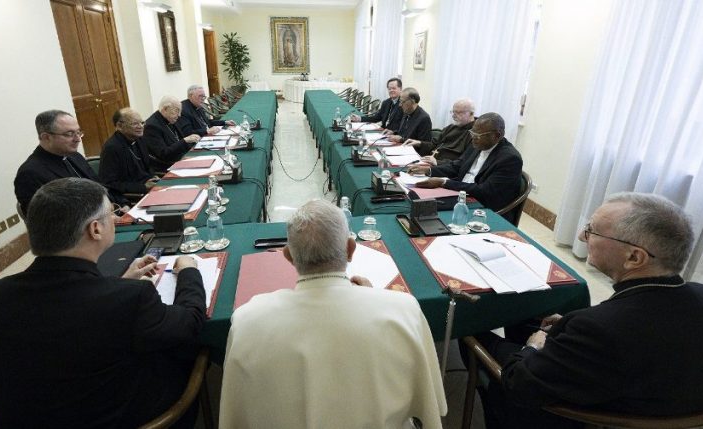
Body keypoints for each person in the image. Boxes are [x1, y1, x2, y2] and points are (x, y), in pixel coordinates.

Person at [0, 178, 206, 428]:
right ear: (95, 229)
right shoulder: (131, 298)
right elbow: (191, 322)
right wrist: (188, 271)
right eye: (111, 213)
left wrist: (117, 283)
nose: (115, 219)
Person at [475, 193, 703, 428]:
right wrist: (573, 328)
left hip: (579, 416)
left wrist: (532, 347)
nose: (581, 236)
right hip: (662, 398)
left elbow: (520, 383)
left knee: (475, 336)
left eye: (592, 232)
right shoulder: (699, 293)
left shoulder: (596, 329)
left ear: (634, 257)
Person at [219, 199, 447, 428]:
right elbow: (432, 403)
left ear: (288, 256)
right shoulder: (404, 309)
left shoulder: (246, 320)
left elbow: (234, 416)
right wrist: (376, 299)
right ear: (350, 249)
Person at [408, 112, 522, 223]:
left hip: (482, 207)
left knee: (426, 212)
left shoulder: (510, 159)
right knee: (413, 200)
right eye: (472, 133)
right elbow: (457, 166)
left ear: (497, 135)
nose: (473, 138)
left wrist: (444, 183)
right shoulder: (477, 144)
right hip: (461, 194)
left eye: (478, 135)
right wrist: (429, 170)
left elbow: (485, 191)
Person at [14, 109, 129, 216]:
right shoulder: (30, 173)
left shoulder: (74, 156)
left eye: (78, 132)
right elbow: (48, 220)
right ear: (46, 137)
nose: (78, 139)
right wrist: (101, 218)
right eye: (69, 134)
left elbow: (100, 186)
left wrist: (123, 203)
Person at [99, 108, 158, 196]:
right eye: (135, 124)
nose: (141, 126)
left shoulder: (139, 139)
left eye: (142, 123)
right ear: (119, 126)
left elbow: (147, 166)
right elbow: (109, 183)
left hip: (150, 187)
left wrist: (153, 177)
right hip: (133, 195)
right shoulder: (111, 148)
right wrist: (143, 187)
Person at [404, 98, 476, 164]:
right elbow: (434, 144)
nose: (454, 116)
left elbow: (463, 162)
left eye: (458, 112)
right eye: (453, 112)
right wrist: (419, 143)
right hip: (429, 162)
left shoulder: (475, 134)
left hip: (445, 168)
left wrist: (437, 162)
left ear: (471, 113)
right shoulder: (450, 127)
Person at [144, 96, 200, 171]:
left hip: (182, 158)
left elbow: (179, 140)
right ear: (165, 109)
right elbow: (164, 154)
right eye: (177, 110)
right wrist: (185, 141)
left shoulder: (170, 119)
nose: (179, 115)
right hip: (168, 165)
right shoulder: (152, 126)